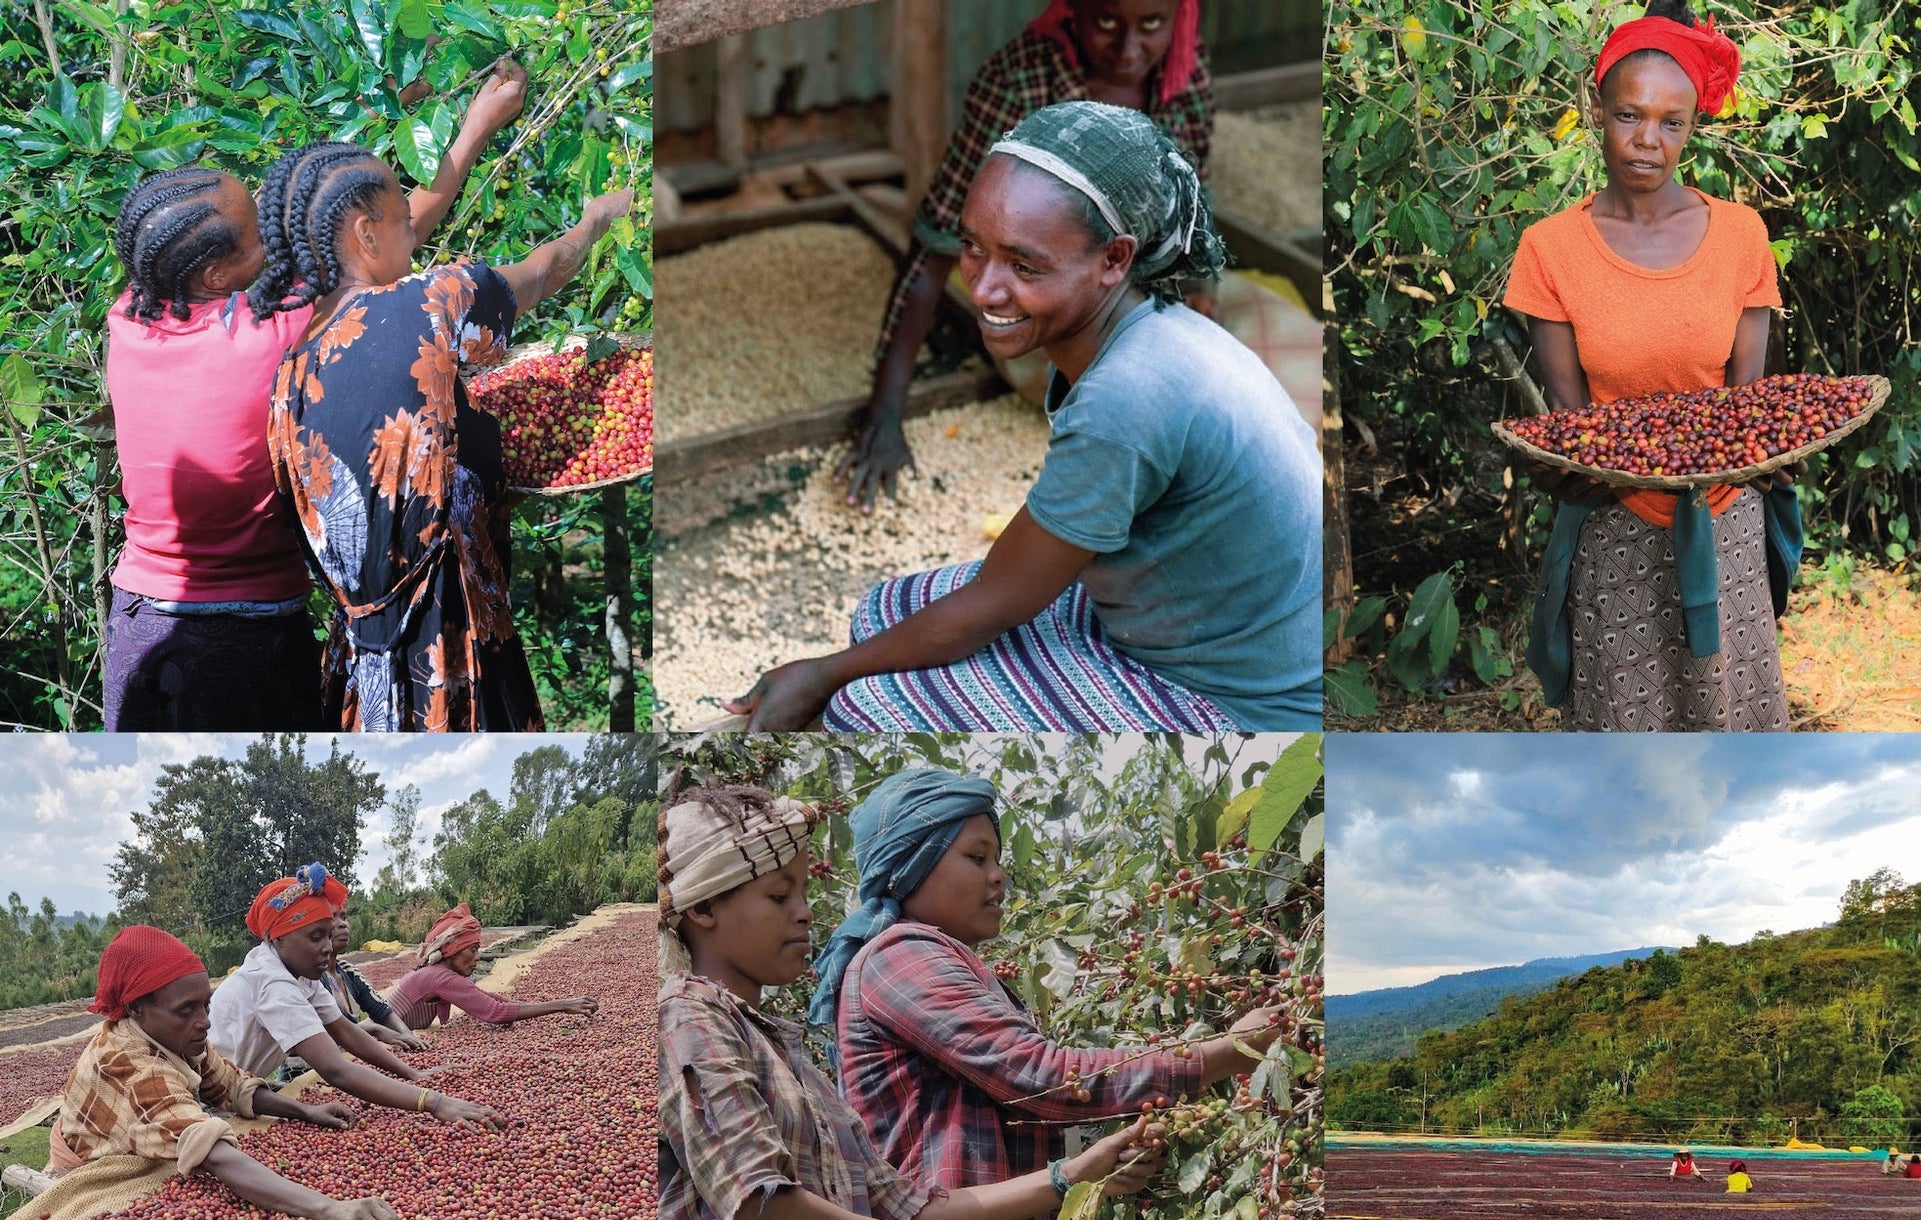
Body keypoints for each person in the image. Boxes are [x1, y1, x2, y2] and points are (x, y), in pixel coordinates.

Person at [730, 102, 1320, 732]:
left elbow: (998, 600)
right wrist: (843, 663)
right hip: (1189, 622)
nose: (983, 289)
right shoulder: (1151, 331)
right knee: (885, 610)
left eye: (1024, 265)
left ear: (1115, 259)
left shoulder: (1129, 394)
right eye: (973, 249)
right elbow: (1020, 575)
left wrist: (824, 673)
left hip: (1245, 701)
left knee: (865, 706)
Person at [101, 61, 527, 731]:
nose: (275, 247)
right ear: (213, 272)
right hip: (244, 640)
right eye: (256, 241)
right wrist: (474, 128)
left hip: (136, 621)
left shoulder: (128, 314)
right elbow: (380, 238)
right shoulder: (271, 335)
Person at [659, 788, 1166, 1220]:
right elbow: (761, 1205)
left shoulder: (784, 1051)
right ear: (704, 907)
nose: (806, 913)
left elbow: (905, 1205)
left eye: (803, 892)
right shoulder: (689, 1016)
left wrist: (1076, 1176)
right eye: (780, 896)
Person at [812, 767, 1289, 1220]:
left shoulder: (951, 965)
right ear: (910, 865)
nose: (998, 877)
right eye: (976, 857)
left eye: (997, 859)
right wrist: (1221, 1054)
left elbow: (1015, 1109)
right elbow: (1046, 1078)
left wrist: (1091, 1173)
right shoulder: (903, 957)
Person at [252, 141, 632, 731]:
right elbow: (544, 272)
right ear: (366, 235)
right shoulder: (430, 302)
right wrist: (597, 220)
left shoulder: (289, 377)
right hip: (451, 655)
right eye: (405, 222)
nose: (414, 236)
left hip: (359, 671)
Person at [1505, 0, 1796, 732]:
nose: (1648, 142)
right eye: (1631, 115)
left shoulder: (1740, 235)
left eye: (1674, 123)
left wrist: (1764, 457)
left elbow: (1745, 409)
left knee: (1730, 712)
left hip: (1723, 519)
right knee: (1625, 723)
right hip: (1618, 522)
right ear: (1597, 109)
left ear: (1693, 129)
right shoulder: (1551, 249)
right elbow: (1577, 423)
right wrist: (1559, 463)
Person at [839, 0, 1215, 511]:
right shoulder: (1022, 83)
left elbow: (1192, 208)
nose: (1129, 50)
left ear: (1179, 18)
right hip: (1049, 312)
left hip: (1132, 293)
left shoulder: (1184, 77)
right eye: (1106, 22)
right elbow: (937, 244)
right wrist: (884, 412)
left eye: (1151, 25)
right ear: (1074, 11)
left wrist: (1201, 289)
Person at [46, 925, 403, 1220]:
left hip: (151, 1133)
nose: (205, 1021)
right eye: (187, 1010)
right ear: (137, 1008)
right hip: (96, 1162)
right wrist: (328, 1208)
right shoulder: (133, 1065)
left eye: (206, 1005)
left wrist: (304, 1110)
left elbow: (231, 1085)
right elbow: (212, 1153)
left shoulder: (176, 1036)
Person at [207, 864, 504, 1130]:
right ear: (279, 937)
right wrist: (434, 1102)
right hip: (207, 1101)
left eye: (327, 934)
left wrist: (413, 1074)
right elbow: (335, 1069)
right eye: (315, 937)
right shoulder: (273, 983)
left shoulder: (299, 973)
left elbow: (346, 1031)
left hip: (241, 1088)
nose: (326, 947)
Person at [385, 904, 597, 1029]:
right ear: (451, 951)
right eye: (472, 950)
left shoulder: (437, 972)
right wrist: (561, 1005)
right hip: (375, 1035)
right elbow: (495, 1012)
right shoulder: (438, 976)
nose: (477, 957)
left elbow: (487, 997)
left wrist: (534, 1007)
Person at [321, 908, 424, 1052]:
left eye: (344, 918)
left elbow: (381, 1011)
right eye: (332, 917)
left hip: (349, 1056)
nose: (343, 924)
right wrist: (374, 1029)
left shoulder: (348, 971)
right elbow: (316, 1032)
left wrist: (408, 1036)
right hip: (307, 1066)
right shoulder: (309, 978)